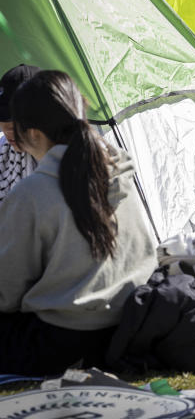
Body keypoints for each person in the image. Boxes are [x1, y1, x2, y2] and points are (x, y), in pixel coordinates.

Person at [0, 70, 157, 375]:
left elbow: (6, 294)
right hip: (130, 323)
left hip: (61, 340)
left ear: (33, 133)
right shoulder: (119, 169)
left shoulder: (33, 193)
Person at [0, 64, 39, 202]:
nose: (7, 129)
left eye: (14, 118)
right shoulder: (3, 149)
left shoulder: (73, 159)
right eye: (2, 118)